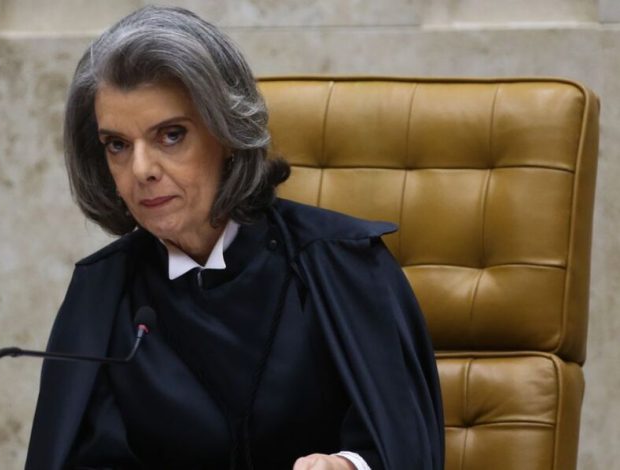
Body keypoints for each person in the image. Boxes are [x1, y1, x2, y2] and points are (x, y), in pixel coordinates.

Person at [26, 6, 443, 470]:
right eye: (118, 145)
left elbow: (404, 447)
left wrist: (346, 466)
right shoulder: (102, 295)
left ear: (227, 133)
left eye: (171, 135)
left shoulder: (343, 264)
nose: (141, 169)